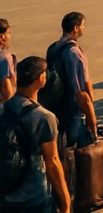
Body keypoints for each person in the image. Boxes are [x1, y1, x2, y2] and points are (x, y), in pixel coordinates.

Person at [0, 57, 72, 213]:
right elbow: (52, 162)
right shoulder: (44, 117)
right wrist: (65, 202)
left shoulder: (3, 109)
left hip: (6, 195)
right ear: (41, 79)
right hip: (35, 197)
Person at [43, 12, 97, 147]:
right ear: (75, 28)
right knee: (79, 152)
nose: (84, 28)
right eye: (83, 25)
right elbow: (81, 91)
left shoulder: (53, 48)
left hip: (56, 107)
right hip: (73, 111)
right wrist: (92, 120)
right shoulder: (75, 53)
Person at [0, 19, 13, 102]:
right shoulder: (4, 58)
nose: (10, 36)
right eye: (8, 33)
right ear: (2, 37)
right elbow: (7, 91)